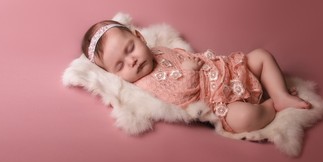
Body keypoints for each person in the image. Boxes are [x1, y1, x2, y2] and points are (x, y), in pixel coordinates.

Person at [81, 20, 311, 133]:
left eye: (130, 48)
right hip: (219, 102)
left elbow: (193, 57)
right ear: (114, 75)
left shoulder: (159, 50)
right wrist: (191, 72)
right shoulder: (145, 83)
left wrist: (223, 66)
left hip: (226, 72)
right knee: (244, 120)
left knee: (261, 56)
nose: (131, 60)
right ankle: (272, 106)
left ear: (139, 37)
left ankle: (280, 94)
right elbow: (180, 98)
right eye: (120, 65)